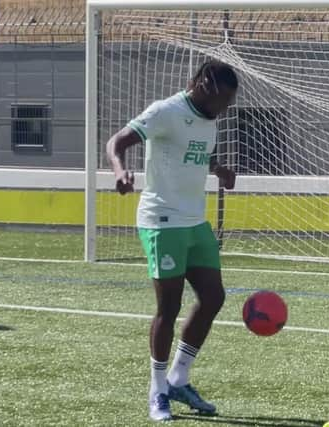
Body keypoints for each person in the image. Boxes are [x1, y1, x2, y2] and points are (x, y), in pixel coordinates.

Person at [106, 59, 238, 421]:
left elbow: (191, 155)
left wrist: (217, 169)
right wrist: (120, 171)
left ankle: (179, 377)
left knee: (213, 297)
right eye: (223, 100)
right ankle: (157, 390)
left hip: (195, 221)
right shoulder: (165, 111)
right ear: (204, 85)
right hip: (162, 222)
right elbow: (116, 141)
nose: (225, 109)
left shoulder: (208, 120)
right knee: (169, 308)